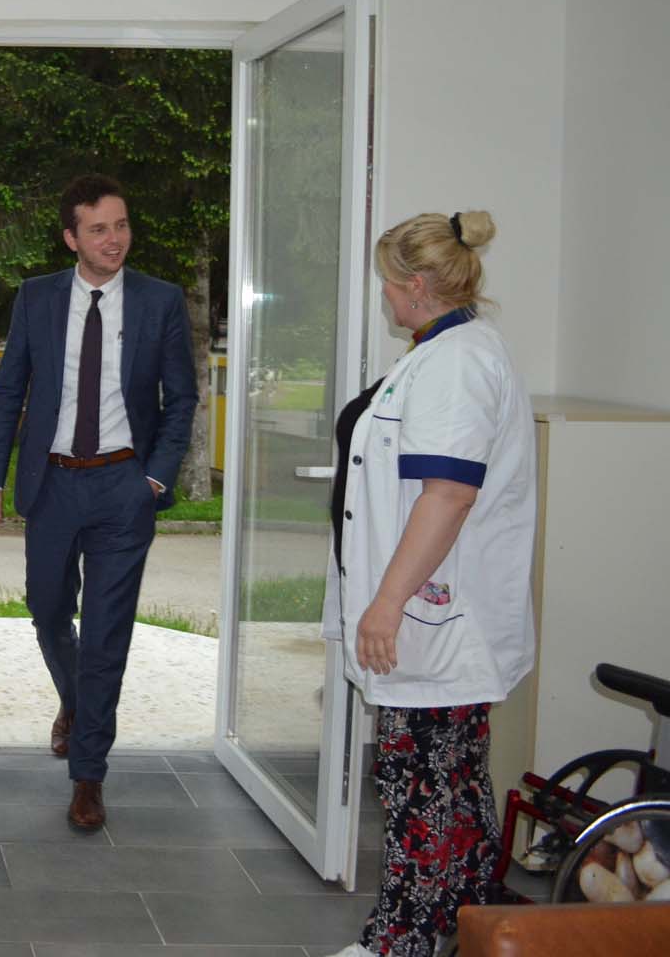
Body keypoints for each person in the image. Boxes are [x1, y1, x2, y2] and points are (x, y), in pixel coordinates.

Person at [324, 210, 535, 957]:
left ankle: (401, 942)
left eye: (388, 280)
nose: (384, 293)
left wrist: (386, 605)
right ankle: (475, 921)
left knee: (418, 785)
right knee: (454, 782)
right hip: (436, 611)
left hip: (431, 614)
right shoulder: (448, 350)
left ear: (416, 284)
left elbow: (447, 495)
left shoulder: (456, 363)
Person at [0, 173, 196, 831]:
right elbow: (9, 390)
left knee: (106, 635)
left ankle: (88, 773)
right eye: (98, 229)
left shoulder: (159, 301)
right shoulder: (37, 297)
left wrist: (154, 479)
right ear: (71, 237)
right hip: (52, 484)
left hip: (124, 487)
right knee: (46, 609)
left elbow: (181, 398)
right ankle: (75, 700)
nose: (114, 239)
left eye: (121, 225)